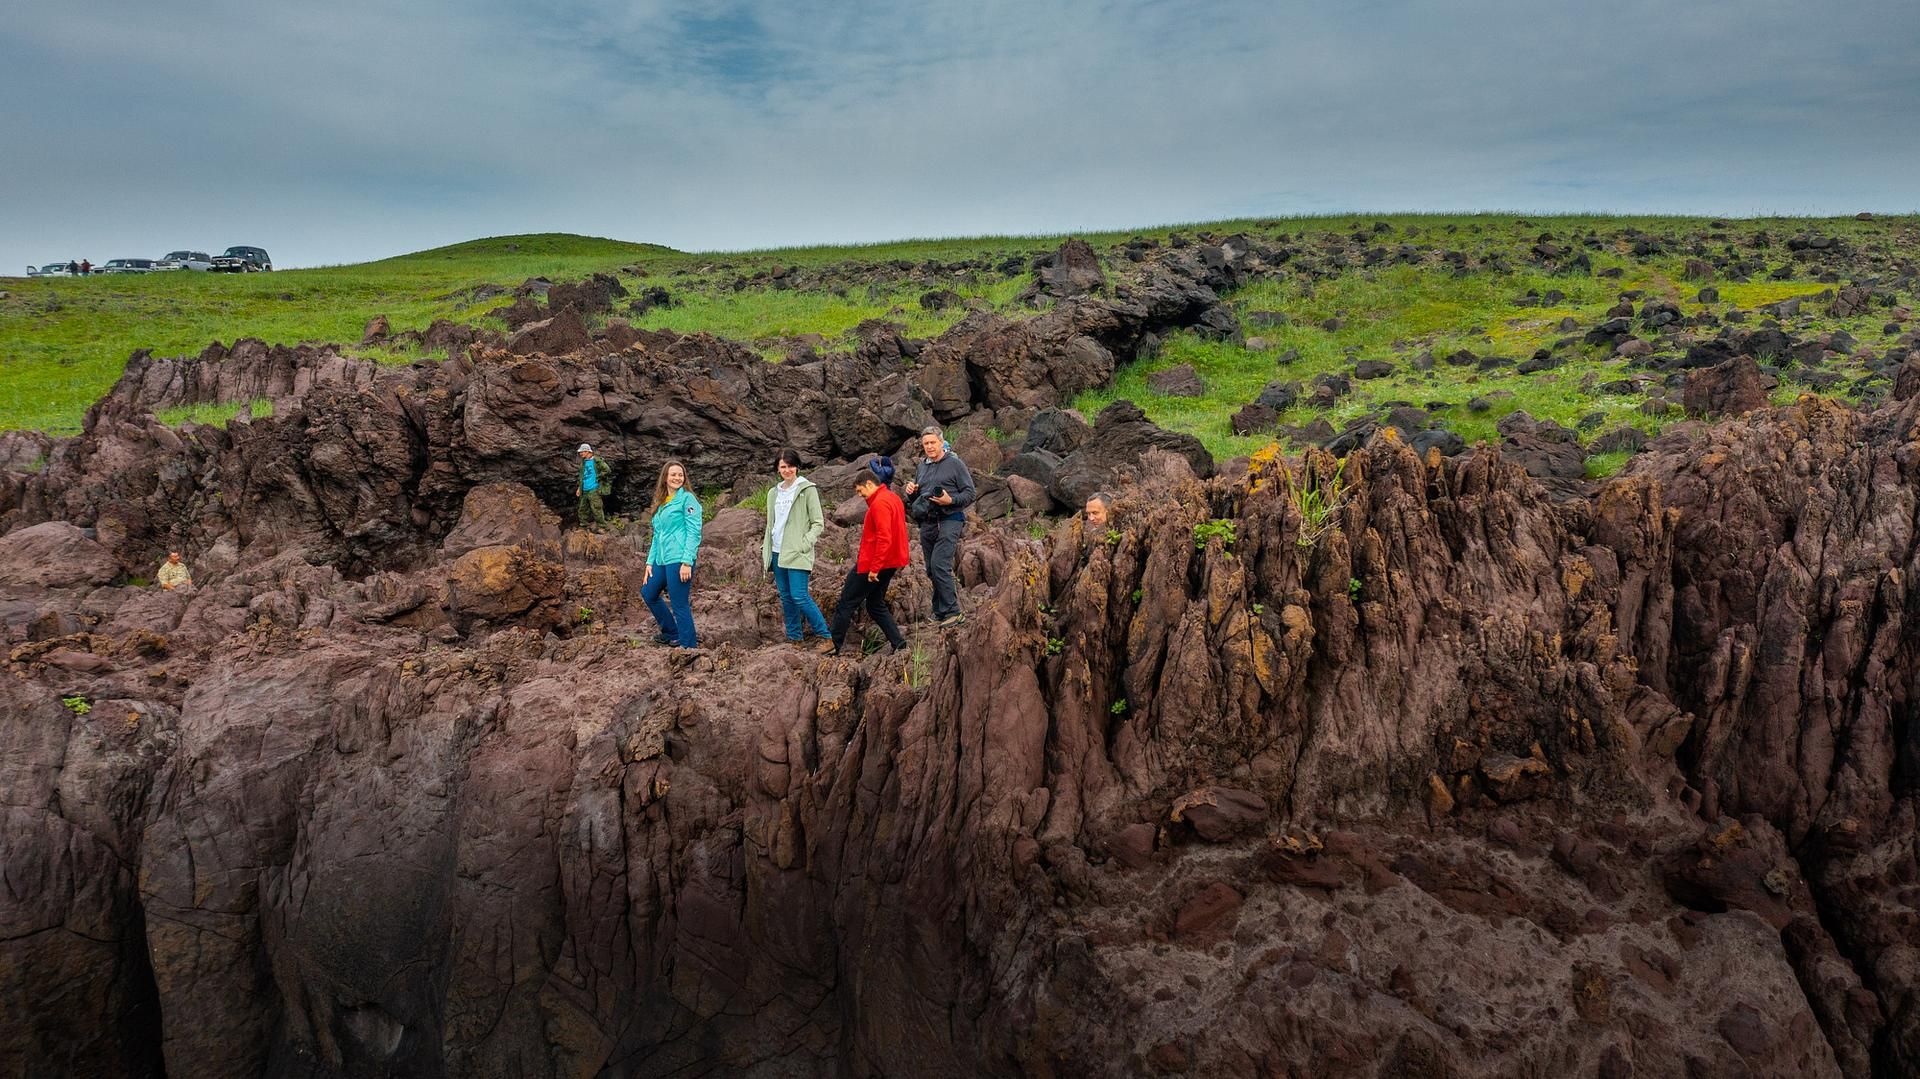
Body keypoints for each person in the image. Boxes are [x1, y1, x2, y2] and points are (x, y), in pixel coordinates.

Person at [831, 458, 910, 655]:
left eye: (860, 491)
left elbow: (884, 537)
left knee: (846, 601)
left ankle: (833, 644)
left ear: (869, 483)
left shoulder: (879, 504)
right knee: (875, 605)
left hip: (874, 563)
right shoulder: (892, 498)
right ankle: (899, 644)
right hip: (891, 561)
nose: (859, 496)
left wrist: (874, 568)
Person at [760, 448, 834, 650]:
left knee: (799, 595)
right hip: (777, 551)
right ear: (777, 468)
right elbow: (772, 523)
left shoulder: (807, 489)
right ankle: (795, 638)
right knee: (786, 596)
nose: (787, 470)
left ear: (797, 467)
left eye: (790, 465)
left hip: (797, 551)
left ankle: (826, 637)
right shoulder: (773, 492)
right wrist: (766, 547)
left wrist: (804, 544)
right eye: (783, 466)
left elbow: (818, 523)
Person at [902, 425, 975, 627]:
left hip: (950, 519)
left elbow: (970, 493)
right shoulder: (922, 467)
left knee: (939, 564)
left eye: (933, 442)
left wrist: (950, 501)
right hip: (927, 521)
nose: (929, 446)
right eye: (926, 443)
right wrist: (911, 491)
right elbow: (919, 496)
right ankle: (940, 611)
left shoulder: (955, 464)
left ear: (941, 442)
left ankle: (954, 612)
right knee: (931, 569)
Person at [642, 460, 702, 647]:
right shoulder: (661, 503)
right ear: (665, 478)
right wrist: (649, 563)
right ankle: (671, 632)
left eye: (680, 475)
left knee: (679, 604)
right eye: (673, 474)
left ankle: (689, 646)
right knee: (648, 593)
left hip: (679, 558)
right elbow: (657, 535)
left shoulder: (687, 499)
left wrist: (687, 562)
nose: (677, 478)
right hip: (661, 559)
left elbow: (694, 532)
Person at [574, 443, 608, 530]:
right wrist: (579, 488)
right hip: (584, 489)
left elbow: (607, 470)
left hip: (594, 489)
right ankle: (583, 525)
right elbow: (582, 476)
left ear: (587, 451)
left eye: (582, 452)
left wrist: (598, 477)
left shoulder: (597, 461)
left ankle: (602, 527)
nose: (580, 454)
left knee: (596, 508)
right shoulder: (584, 462)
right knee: (582, 508)